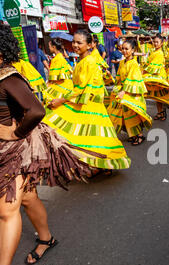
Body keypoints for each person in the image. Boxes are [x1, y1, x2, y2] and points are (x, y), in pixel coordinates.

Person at [0, 14, 100, 265]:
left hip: (15, 152)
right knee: (28, 198)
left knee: (7, 209)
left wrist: (15, 134)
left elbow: (36, 111)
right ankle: (46, 239)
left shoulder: (9, 78)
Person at [43, 29, 131, 172]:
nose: (75, 45)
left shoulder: (88, 62)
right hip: (85, 102)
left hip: (89, 105)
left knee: (90, 139)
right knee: (91, 138)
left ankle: (99, 166)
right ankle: (99, 166)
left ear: (89, 45)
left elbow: (82, 89)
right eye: (74, 42)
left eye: (79, 42)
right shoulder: (82, 61)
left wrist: (61, 100)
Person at [107, 38, 151, 145]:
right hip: (124, 93)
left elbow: (134, 81)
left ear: (132, 50)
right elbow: (118, 79)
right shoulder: (122, 62)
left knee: (134, 116)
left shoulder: (134, 64)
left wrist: (124, 92)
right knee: (125, 116)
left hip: (132, 94)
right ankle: (132, 134)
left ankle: (140, 136)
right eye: (123, 49)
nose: (124, 51)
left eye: (127, 49)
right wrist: (110, 78)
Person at [142, 34, 169, 121]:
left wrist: (143, 72)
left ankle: (162, 112)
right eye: (154, 42)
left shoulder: (159, 53)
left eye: (157, 42)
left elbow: (152, 66)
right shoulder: (154, 51)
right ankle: (161, 112)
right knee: (157, 97)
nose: (155, 44)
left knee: (159, 96)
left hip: (158, 76)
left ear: (162, 43)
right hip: (156, 75)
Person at [42, 38, 73, 107]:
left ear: (54, 47)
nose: (48, 48)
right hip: (67, 86)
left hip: (60, 87)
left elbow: (53, 78)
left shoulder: (56, 59)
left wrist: (45, 86)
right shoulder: (61, 58)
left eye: (49, 46)